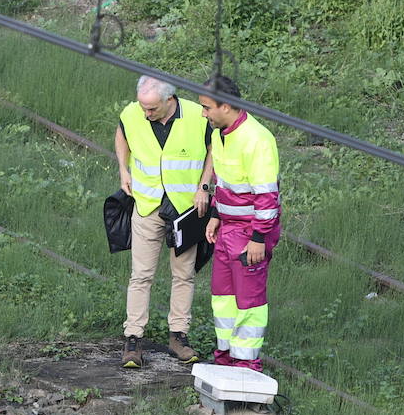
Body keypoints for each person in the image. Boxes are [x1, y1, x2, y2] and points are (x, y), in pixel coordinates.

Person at [115, 75, 215, 368]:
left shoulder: (198, 116)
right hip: (147, 205)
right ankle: (133, 338)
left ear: (170, 100)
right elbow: (122, 134)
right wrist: (123, 169)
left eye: (152, 109)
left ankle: (178, 336)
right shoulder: (132, 112)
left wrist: (204, 186)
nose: (146, 113)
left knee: (184, 274)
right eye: (143, 107)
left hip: (185, 208)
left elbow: (214, 149)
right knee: (140, 275)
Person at [198, 75, 281, 371]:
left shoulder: (257, 140)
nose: (203, 114)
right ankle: (225, 359)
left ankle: (246, 367)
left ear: (226, 106)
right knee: (223, 298)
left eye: (207, 107)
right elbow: (224, 181)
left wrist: (258, 239)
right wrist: (216, 215)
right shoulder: (220, 134)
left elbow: (267, 197)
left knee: (249, 302)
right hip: (227, 228)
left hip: (250, 233)